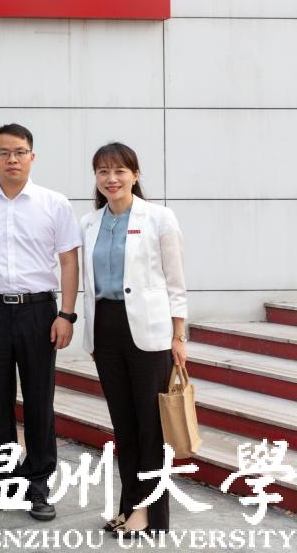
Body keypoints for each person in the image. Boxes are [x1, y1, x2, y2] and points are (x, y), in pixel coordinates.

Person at [0, 124, 80, 521]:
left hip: (38, 312)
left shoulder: (54, 204)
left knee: (39, 399)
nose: (12, 159)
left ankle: (39, 482)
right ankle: (3, 480)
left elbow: (68, 261)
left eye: (19, 152)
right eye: (4, 152)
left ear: (32, 156)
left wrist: (66, 314)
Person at [81, 142, 187, 538]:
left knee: (150, 426)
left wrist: (179, 335)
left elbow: (176, 282)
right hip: (106, 329)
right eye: (103, 171)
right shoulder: (89, 222)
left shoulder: (159, 217)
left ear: (135, 175)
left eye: (119, 171)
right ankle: (129, 506)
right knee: (124, 424)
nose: (111, 179)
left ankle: (148, 511)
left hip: (150, 332)